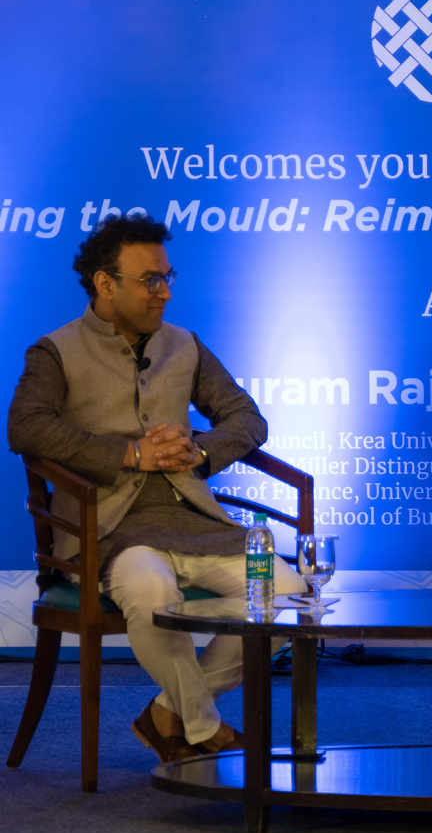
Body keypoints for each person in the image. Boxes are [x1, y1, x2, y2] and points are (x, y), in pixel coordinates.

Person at [7, 214, 305, 764]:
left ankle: (169, 716)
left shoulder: (184, 345)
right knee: (149, 592)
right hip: (109, 531)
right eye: (150, 280)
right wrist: (129, 454)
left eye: (167, 277)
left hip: (194, 523)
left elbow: (246, 418)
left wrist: (200, 451)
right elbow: (27, 427)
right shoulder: (56, 351)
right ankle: (207, 729)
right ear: (105, 283)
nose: (164, 292)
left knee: (290, 595)